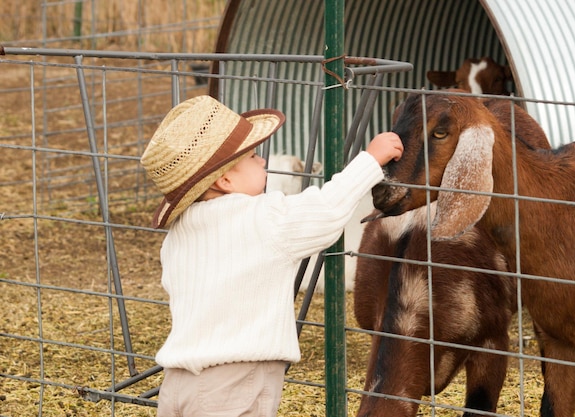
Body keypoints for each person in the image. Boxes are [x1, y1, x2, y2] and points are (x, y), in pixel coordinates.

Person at [140, 95, 403, 417]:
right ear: (224, 180)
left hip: (178, 383)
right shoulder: (261, 218)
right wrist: (370, 161)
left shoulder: (179, 233)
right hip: (235, 380)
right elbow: (325, 210)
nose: (262, 161)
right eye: (252, 157)